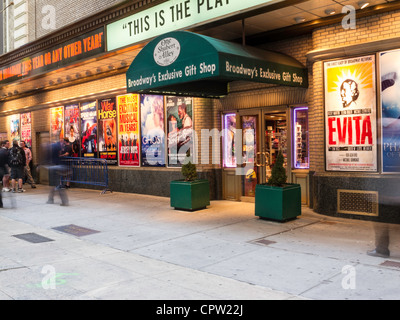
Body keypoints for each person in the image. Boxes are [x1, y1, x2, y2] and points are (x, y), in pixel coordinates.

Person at [46, 139, 68, 206]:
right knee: (54, 184)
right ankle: (51, 198)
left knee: (55, 184)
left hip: (53, 167)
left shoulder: (51, 150)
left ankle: (63, 200)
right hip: (58, 166)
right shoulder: (57, 149)